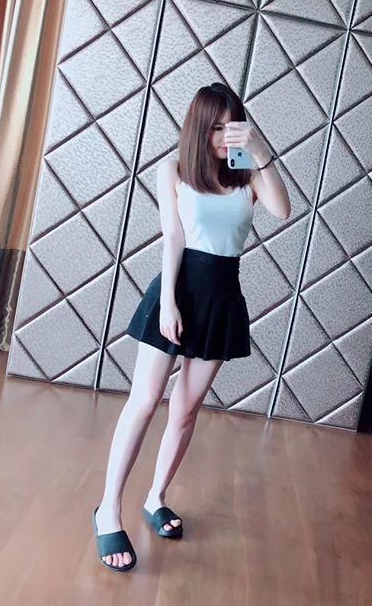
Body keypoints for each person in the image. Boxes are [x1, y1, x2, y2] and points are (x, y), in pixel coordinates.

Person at [91, 82, 291, 572]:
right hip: (179, 288)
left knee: (185, 410)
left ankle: (155, 497)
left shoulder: (247, 172)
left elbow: (282, 210)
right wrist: (168, 305)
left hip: (223, 295)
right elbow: (173, 237)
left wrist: (259, 148)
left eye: (232, 126)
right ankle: (108, 510)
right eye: (216, 128)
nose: (225, 137)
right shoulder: (174, 169)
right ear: (200, 128)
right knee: (144, 401)